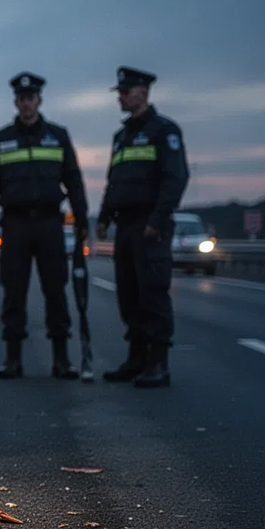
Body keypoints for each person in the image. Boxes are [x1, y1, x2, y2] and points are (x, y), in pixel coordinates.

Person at [0, 72, 90, 380]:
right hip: (15, 226)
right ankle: (12, 360)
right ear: (16, 102)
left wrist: (82, 221)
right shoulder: (2, 139)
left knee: (56, 291)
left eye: (31, 99)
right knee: (13, 293)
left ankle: (62, 359)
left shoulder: (58, 135)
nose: (26, 104)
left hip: (50, 224)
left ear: (39, 101)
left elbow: (74, 181)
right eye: (21, 99)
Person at [95, 66, 190, 388]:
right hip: (125, 227)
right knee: (129, 296)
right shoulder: (121, 137)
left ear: (143, 93)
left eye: (125, 91)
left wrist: (158, 221)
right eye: (119, 92)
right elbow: (114, 182)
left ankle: (158, 364)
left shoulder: (164, 131)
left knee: (153, 295)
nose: (120, 97)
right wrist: (105, 217)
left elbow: (175, 179)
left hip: (150, 227)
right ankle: (136, 359)